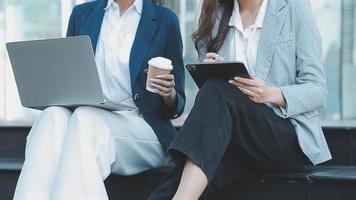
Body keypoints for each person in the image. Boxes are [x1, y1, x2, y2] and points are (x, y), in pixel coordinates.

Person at [148, 0, 331, 199]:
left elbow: (317, 90)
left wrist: (269, 93)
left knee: (216, 92)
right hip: (236, 138)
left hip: (285, 135)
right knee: (168, 191)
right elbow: (214, 101)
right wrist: (214, 70)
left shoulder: (294, 7)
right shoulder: (215, 14)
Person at [13, 0, 185, 199]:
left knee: (85, 119)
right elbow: (70, 75)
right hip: (88, 114)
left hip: (141, 125)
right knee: (52, 116)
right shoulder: (82, 14)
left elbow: (178, 103)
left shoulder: (165, 20)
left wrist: (168, 92)